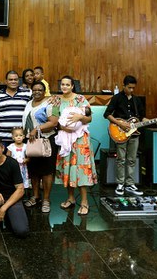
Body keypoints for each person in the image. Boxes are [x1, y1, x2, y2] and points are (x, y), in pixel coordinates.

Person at [53, 76, 96, 217]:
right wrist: (62, 127)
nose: (64, 87)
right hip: (65, 138)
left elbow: (89, 118)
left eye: (67, 85)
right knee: (68, 168)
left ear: (72, 86)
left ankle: (84, 202)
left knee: (81, 169)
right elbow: (54, 120)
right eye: (62, 84)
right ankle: (71, 198)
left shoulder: (80, 99)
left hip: (80, 140)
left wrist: (80, 117)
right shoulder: (57, 100)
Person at [103, 75, 146, 196]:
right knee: (121, 159)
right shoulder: (117, 98)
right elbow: (107, 114)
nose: (131, 90)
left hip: (134, 134)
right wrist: (120, 124)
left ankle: (130, 183)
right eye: (129, 87)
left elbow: (142, 118)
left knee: (132, 159)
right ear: (124, 86)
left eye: (133, 88)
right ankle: (120, 184)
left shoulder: (137, 100)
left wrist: (156, 120)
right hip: (120, 133)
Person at [24, 81, 58, 213]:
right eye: (35, 89)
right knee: (33, 170)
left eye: (40, 90)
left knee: (47, 171)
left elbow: (54, 122)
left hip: (46, 140)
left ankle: (46, 200)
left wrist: (37, 129)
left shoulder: (50, 103)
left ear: (44, 91)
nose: (37, 92)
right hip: (32, 141)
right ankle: (36, 196)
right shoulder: (29, 103)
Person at [0, 70, 31, 148]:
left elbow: (38, 101)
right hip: (2, 138)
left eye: (15, 79)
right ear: (6, 81)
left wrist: (53, 98)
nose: (13, 81)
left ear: (18, 81)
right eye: (10, 79)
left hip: (21, 138)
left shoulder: (27, 93)